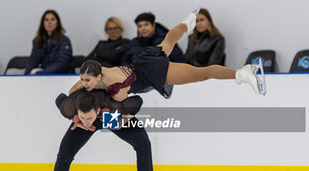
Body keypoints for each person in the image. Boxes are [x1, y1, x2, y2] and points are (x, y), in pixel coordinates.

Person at [70, 9, 266, 102]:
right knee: (167, 42)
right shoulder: (94, 73)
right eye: (83, 80)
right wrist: (75, 100)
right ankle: (187, 24)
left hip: (152, 72)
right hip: (141, 62)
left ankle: (242, 73)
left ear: (98, 76)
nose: (85, 83)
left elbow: (117, 104)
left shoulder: (115, 90)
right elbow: (74, 90)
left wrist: (87, 107)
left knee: (202, 74)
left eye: (87, 80)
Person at [33, 89, 164, 171]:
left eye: (89, 118)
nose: (86, 122)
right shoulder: (72, 110)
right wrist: (76, 118)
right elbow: (60, 97)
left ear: (97, 111)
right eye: (83, 117)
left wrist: (126, 117)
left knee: (144, 145)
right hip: (87, 114)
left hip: (110, 116)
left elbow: (138, 101)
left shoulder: (112, 106)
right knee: (63, 156)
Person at [25, 10, 73, 75]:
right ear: (43, 23)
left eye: (52, 19)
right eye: (46, 20)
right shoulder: (38, 41)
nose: (49, 22)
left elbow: (62, 64)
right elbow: (32, 61)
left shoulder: (64, 41)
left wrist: (41, 73)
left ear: (57, 22)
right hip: (45, 77)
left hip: (63, 77)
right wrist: (26, 75)